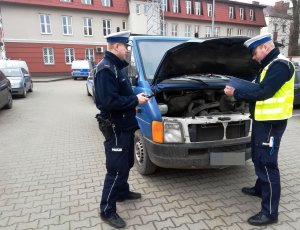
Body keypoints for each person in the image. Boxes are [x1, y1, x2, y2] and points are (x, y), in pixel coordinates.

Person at [224, 33, 295, 226]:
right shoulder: (268, 66)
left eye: (255, 52)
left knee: (267, 163)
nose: (254, 57)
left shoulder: (280, 66)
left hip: (271, 123)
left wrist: (236, 93)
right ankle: (259, 188)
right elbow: (259, 87)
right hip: (262, 121)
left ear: (265, 47)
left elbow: (264, 92)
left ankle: (270, 213)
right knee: (257, 156)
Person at [94, 31, 149, 228]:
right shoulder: (106, 69)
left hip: (125, 125)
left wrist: (136, 94)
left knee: (126, 162)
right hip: (115, 127)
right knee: (116, 169)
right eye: (125, 47)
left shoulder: (117, 68)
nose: (127, 50)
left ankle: (122, 192)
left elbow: (121, 92)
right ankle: (107, 210)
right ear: (116, 47)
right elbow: (108, 102)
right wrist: (136, 100)